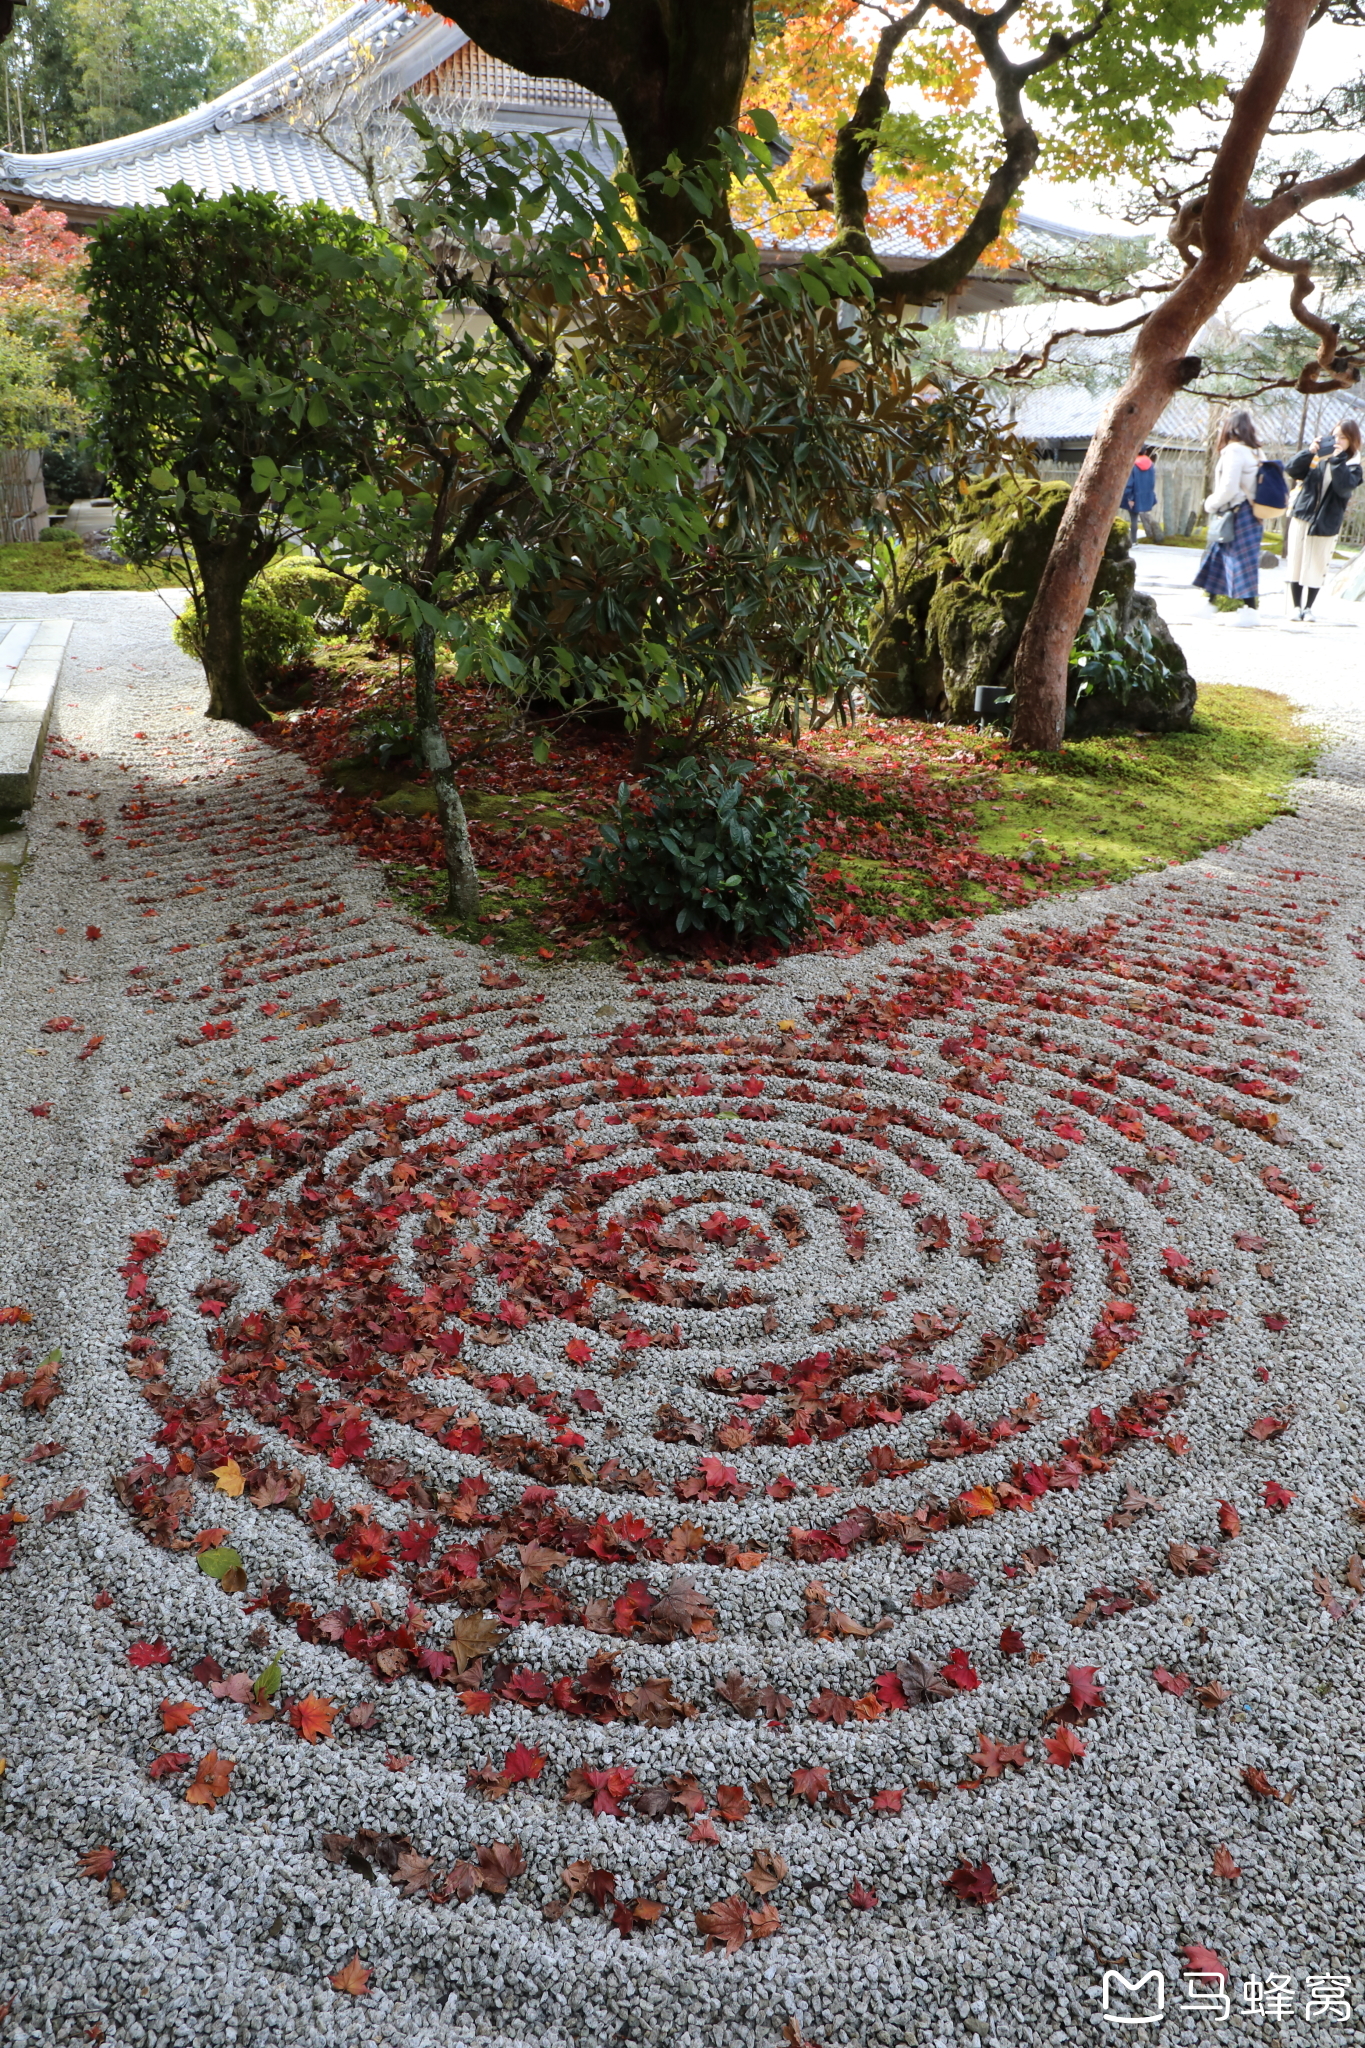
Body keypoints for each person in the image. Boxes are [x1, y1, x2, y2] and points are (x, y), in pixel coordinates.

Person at [1284, 418, 1363, 622]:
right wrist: (1309, 451)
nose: (1337, 440)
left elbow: (1343, 487)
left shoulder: (1354, 466)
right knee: (1297, 561)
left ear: (1352, 441)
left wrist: (1337, 460)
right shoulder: (1319, 457)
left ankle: (1308, 608)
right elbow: (1291, 469)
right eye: (1335, 435)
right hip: (1303, 515)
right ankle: (1295, 606)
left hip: (1327, 521)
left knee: (1316, 564)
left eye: (1343, 437)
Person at [1193, 410, 1262, 623]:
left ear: (1229, 429)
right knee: (1220, 558)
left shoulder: (1234, 451)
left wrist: (1210, 504)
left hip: (1236, 513)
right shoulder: (1257, 452)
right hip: (1253, 513)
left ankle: (1250, 611)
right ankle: (1211, 604)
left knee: (1239, 562)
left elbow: (1229, 488)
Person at [1120, 446, 1161, 539]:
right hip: (1146, 495)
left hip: (1134, 495)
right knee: (1136, 517)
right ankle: (1135, 541)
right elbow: (1152, 482)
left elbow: (1129, 483)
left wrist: (1130, 498)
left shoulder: (1132, 464)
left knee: (1133, 518)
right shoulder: (1151, 465)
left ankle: (1133, 541)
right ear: (1145, 452)